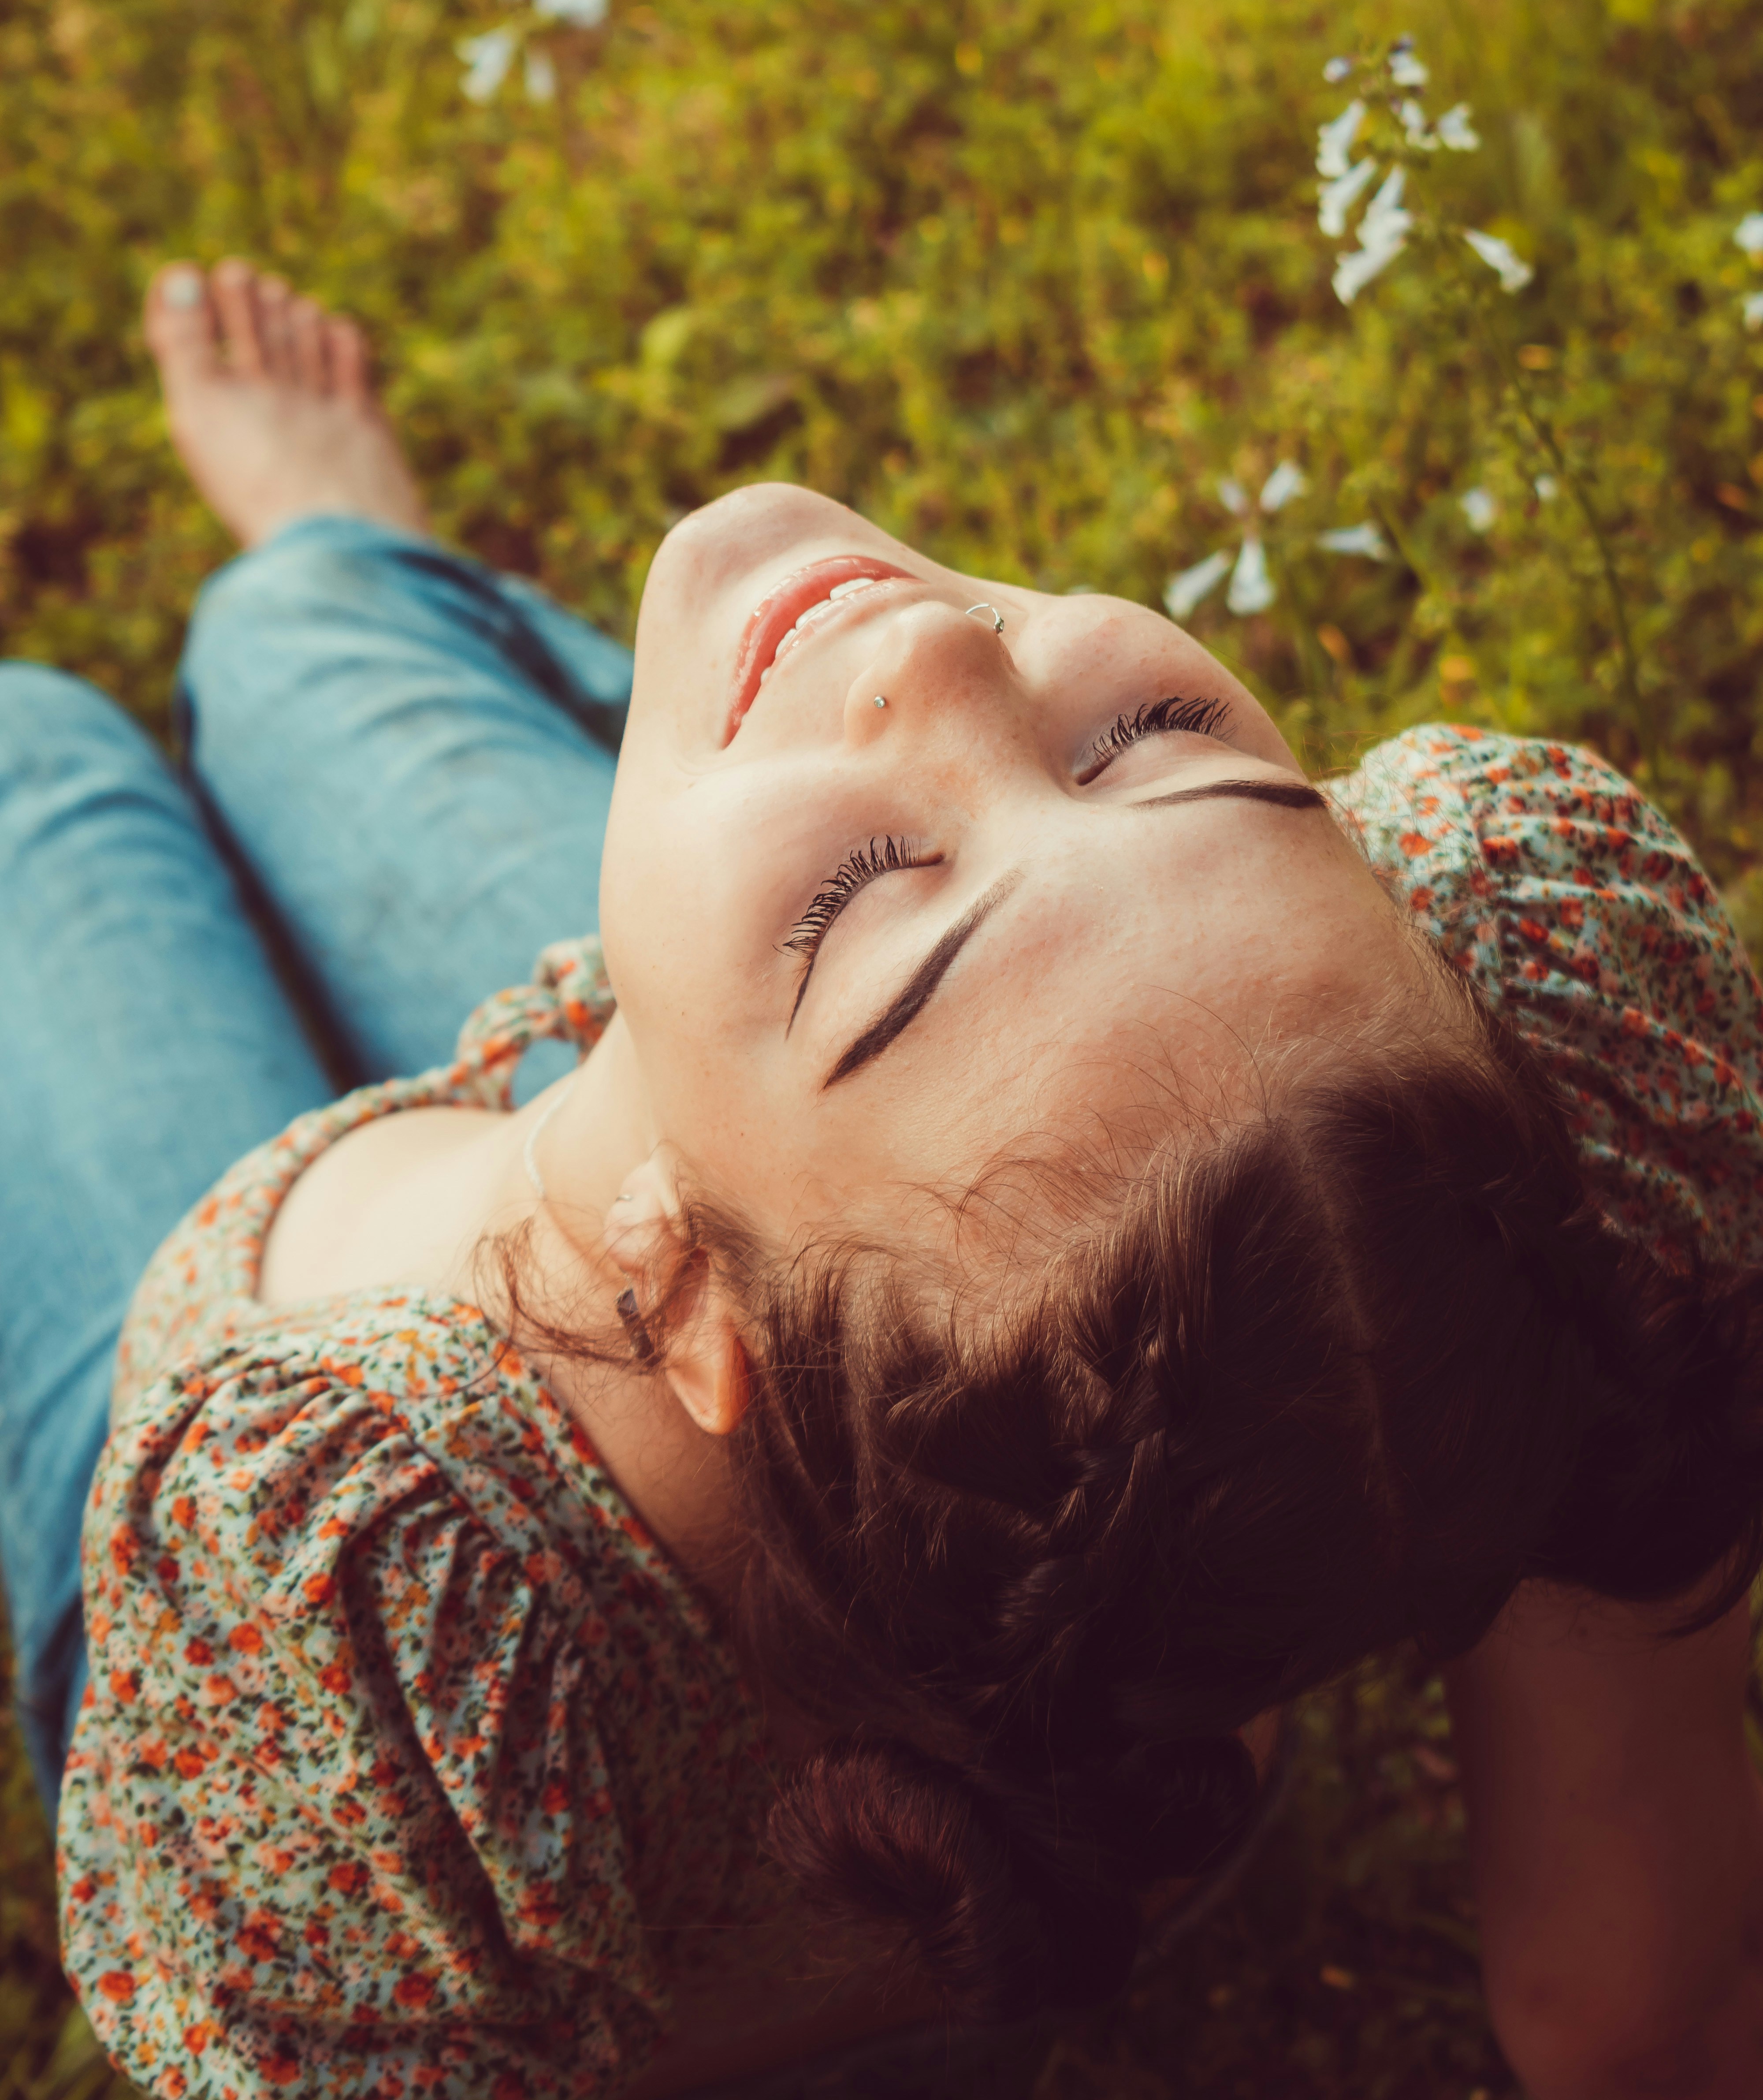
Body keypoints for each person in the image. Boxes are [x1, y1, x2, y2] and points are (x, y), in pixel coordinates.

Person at [4, 256, 1762, 2100]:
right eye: (1151, 746)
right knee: (300, 627)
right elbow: (1630, 1995)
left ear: (681, 1287)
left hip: (796, 1978)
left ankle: (331, 588)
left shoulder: (340, 1675)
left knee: (37, 764)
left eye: (866, 915)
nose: (939, 657)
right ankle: (334, 573)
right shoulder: (1498, 1095)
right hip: (1074, 1818)